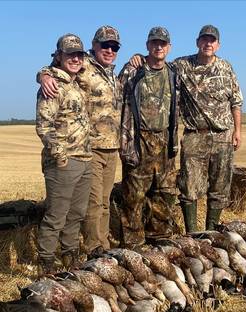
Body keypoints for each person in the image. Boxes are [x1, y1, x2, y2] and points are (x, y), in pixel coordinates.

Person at [131, 25, 243, 232]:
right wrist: (139, 56)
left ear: (218, 45)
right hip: (194, 136)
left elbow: (236, 102)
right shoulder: (181, 66)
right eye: (204, 39)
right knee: (189, 187)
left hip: (223, 135)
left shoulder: (226, 68)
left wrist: (237, 131)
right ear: (197, 42)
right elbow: (157, 61)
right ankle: (192, 234)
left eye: (212, 40)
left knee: (219, 187)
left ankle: (212, 232)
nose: (208, 44)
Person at [38, 26, 122, 264]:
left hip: (104, 149)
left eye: (114, 46)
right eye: (105, 45)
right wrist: (43, 76)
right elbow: (45, 124)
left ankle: (85, 253)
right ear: (94, 46)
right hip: (80, 152)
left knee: (94, 206)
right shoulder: (80, 69)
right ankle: (83, 251)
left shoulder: (110, 74)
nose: (109, 50)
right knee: (73, 210)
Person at [118, 27, 180, 249]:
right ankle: (133, 242)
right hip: (139, 139)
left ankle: (159, 236)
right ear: (147, 46)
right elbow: (115, 94)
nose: (158, 47)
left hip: (165, 140)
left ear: (169, 47)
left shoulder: (173, 73)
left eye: (163, 43)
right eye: (154, 43)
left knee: (163, 191)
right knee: (134, 194)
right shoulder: (133, 70)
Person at [36, 34, 91, 274]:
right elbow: (44, 126)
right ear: (59, 56)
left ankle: (70, 258)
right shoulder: (53, 85)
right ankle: (46, 264)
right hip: (64, 161)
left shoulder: (76, 82)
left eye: (78, 54)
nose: (75, 59)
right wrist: (60, 156)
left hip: (84, 159)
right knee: (56, 215)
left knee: (76, 214)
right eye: (70, 54)